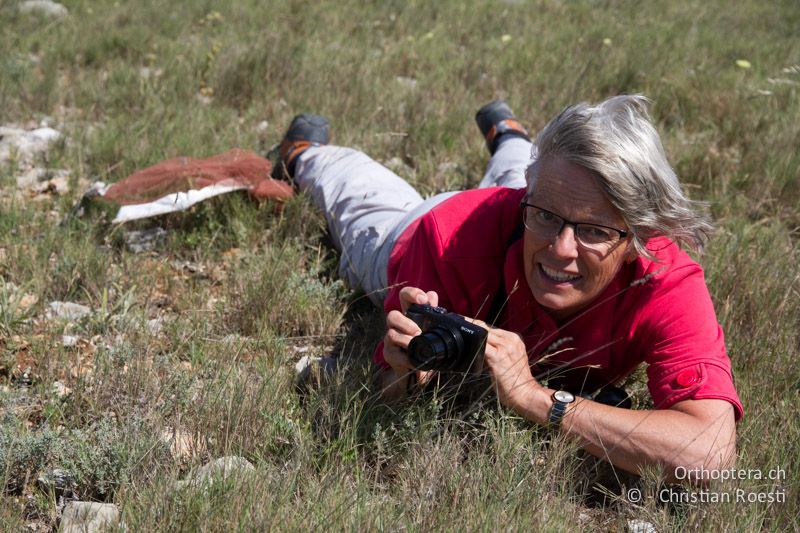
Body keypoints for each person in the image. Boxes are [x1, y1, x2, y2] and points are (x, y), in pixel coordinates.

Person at [274, 95, 742, 481]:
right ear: (529, 199)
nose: (561, 250)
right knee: (361, 206)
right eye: (546, 216)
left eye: (594, 232)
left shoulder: (664, 280)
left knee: (539, 187)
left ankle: (510, 137)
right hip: (421, 230)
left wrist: (536, 398)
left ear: (638, 233)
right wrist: (400, 370)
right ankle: (306, 154)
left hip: (513, 208)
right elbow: (387, 401)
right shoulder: (449, 240)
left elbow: (710, 454)